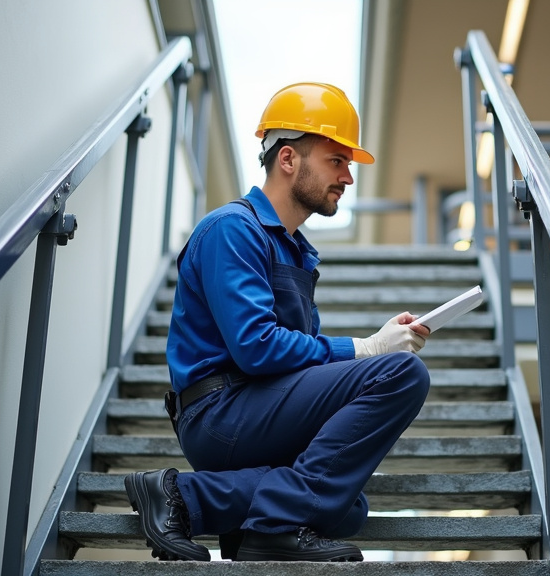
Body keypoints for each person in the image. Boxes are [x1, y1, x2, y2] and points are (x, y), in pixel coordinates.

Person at [124, 82, 432, 562]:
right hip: (221, 413)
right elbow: (257, 347)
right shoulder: (233, 230)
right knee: (402, 373)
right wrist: (368, 351)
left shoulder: (296, 251)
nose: (348, 177)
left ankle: (195, 501)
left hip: (260, 408)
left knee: (346, 508)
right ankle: (247, 518)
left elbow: (301, 363)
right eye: (337, 161)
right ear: (288, 159)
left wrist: (370, 350)